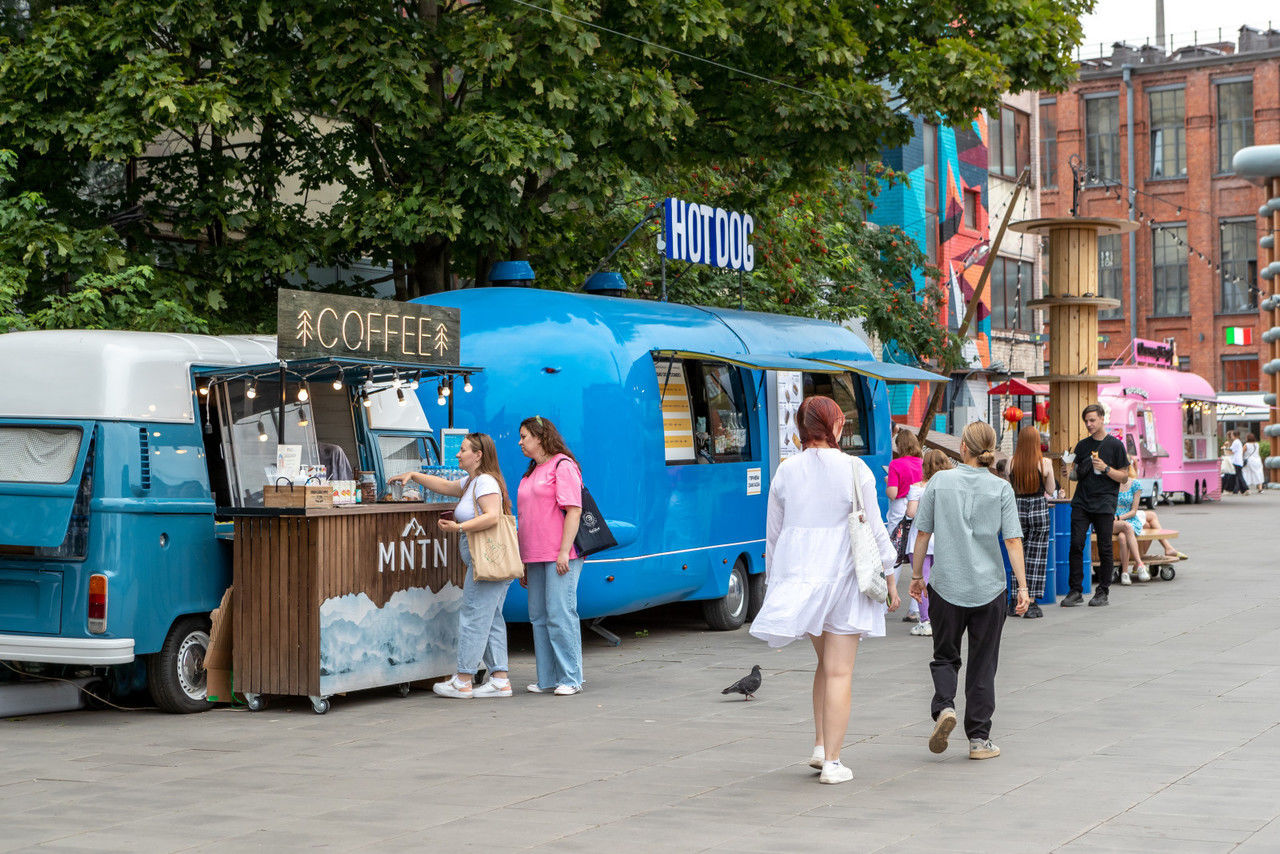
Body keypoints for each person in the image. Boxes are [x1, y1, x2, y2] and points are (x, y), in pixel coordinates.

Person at [749, 396, 899, 785]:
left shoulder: (785, 472)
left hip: (803, 580)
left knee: (825, 665)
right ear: (834, 427)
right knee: (839, 671)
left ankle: (820, 745)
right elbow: (876, 528)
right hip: (846, 579)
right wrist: (891, 575)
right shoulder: (854, 467)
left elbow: (773, 536)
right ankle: (833, 763)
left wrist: (774, 584)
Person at [910, 421, 1027, 761]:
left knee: (945, 655)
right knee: (983, 662)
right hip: (990, 588)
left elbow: (922, 534)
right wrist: (1022, 586)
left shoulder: (940, 482)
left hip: (946, 584)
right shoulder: (1001, 488)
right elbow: (1012, 540)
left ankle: (944, 706)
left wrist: (917, 575)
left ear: (963, 448)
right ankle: (978, 739)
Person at [389, 433, 514, 698]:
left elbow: (492, 516)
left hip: (486, 561)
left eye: (463, 450)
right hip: (485, 561)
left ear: (478, 455)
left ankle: (464, 679)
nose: (458, 454)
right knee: (489, 619)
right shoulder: (473, 481)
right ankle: (500, 679)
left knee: (473, 617)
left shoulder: (485, 482)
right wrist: (414, 475)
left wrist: (459, 527)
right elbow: (445, 486)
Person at [516, 415, 585, 696]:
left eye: (524, 436)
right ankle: (546, 678)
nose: (519, 442)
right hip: (534, 555)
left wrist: (564, 553)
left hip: (560, 553)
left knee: (560, 613)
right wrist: (523, 560)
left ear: (539, 437)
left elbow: (574, 510)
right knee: (539, 617)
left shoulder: (562, 466)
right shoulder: (532, 470)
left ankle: (571, 677)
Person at [1060, 404, 1128, 608]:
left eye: (1092, 420)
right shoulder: (1082, 446)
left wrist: (1106, 468)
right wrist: (1068, 473)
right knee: (1076, 544)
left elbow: (1124, 476)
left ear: (1101, 419)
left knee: (1105, 546)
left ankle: (1102, 591)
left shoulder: (1115, 446)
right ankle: (1075, 591)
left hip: (1105, 502)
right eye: (1086, 421)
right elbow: (1077, 475)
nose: (1089, 424)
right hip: (1082, 501)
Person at [903, 449, 954, 637]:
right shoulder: (950, 487)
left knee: (921, 581)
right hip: (943, 539)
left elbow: (911, 513)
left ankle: (925, 621)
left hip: (920, 540)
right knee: (943, 582)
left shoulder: (917, 487)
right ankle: (945, 619)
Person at [1008, 425, 1055, 618]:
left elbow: (1009, 488)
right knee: (1036, 557)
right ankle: (1032, 602)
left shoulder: (1011, 462)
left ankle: (1014, 599)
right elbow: (1051, 490)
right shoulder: (1045, 463)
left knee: (1016, 555)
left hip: (1017, 508)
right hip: (1038, 508)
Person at [886, 429, 923, 623]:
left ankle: (886, 603)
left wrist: (887, 482)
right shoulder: (922, 463)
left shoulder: (896, 464)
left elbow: (893, 493)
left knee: (894, 555)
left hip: (900, 510)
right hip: (919, 508)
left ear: (900, 446)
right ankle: (915, 607)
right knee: (916, 556)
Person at [1113, 467, 1149, 585]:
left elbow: (1134, 511)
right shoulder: (1110, 482)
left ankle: (1124, 573)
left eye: (1124, 467)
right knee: (1127, 527)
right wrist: (1116, 518)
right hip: (1112, 520)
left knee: (1123, 537)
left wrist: (1120, 518)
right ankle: (1140, 564)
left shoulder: (1135, 484)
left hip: (1129, 518)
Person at [1229, 430, 1246, 495]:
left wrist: (1226, 449)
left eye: (1232, 435)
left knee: (1238, 475)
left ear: (1234, 435)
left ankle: (1245, 489)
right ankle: (1238, 489)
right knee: (1237, 475)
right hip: (1238, 461)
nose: (1231, 436)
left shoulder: (1236, 442)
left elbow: (1232, 451)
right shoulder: (1238, 441)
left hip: (1236, 461)